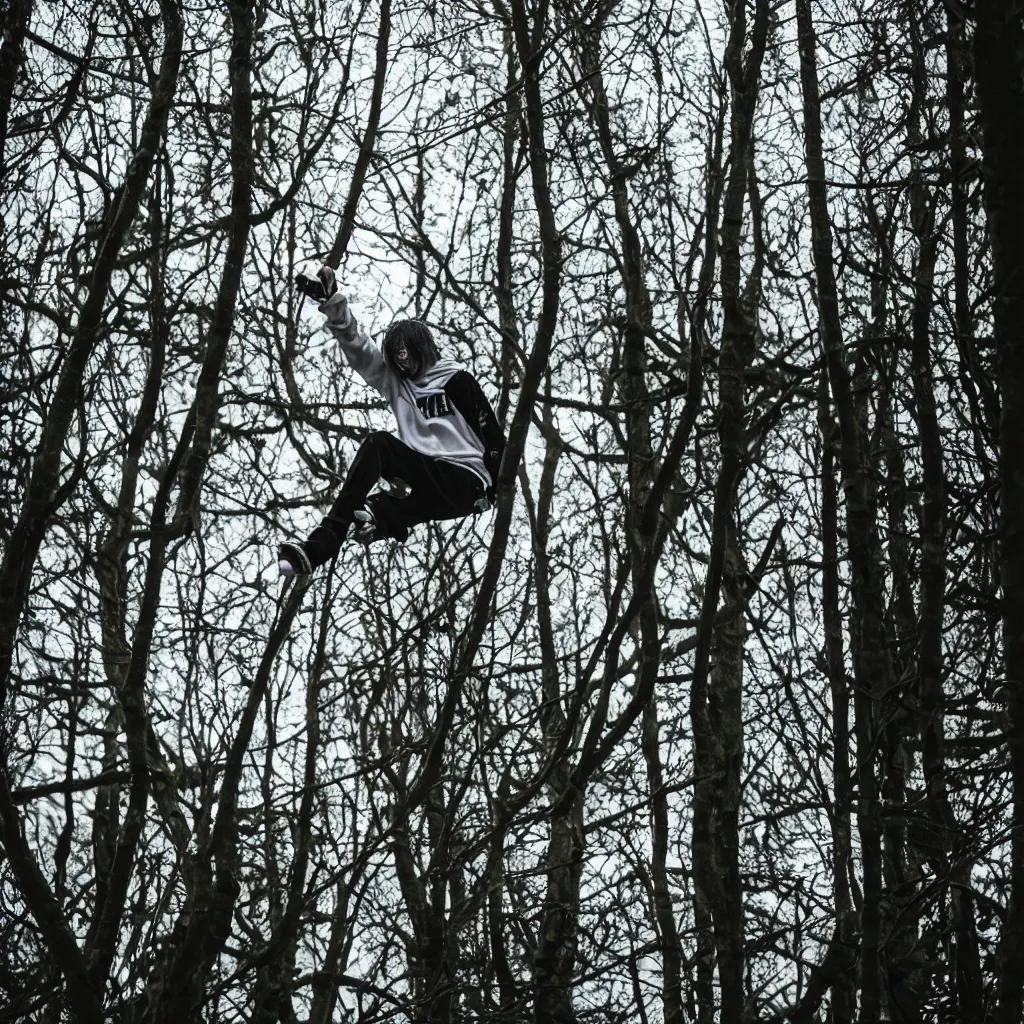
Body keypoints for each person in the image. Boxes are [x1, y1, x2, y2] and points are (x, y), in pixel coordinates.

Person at [278, 267, 506, 576]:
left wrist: (497, 487)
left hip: (466, 480)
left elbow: (490, 432)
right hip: (430, 483)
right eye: (396, 356)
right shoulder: (397, 382)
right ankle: (319, 548)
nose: (401, 362)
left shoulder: (456, 379)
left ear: (420, 347)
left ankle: (369, 523)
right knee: (371, 506)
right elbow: (360, 348)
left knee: (381, 446)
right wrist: (332, 303)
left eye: (405, 353)